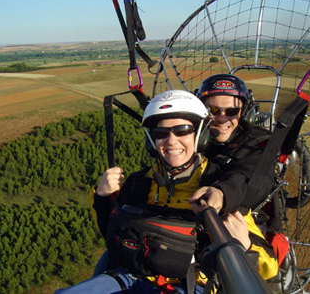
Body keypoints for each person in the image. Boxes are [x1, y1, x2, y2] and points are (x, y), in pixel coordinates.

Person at [55, 90, 277, 294]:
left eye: (182, 130)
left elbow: (268, 269)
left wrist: (245, 246)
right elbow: (111, 232)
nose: (171, 141)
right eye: (161, 133)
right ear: (152, 141)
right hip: (132, 276)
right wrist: (103, 197)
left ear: (199, 136)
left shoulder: (217, 187)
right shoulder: (138, 183)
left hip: (191, 285)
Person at [194, 73, 276, 217]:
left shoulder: (259, 144)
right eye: (213, 110)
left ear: (245, 113)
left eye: (232, 111)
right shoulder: (191, 138)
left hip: (238, 224)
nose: (222, 118)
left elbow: (250, 178)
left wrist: (222, 194)